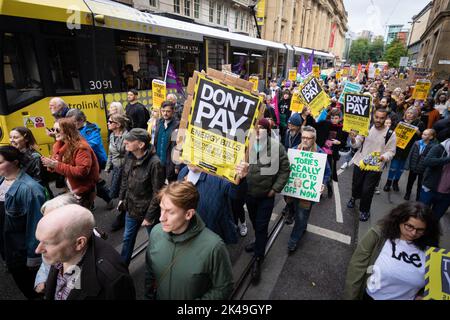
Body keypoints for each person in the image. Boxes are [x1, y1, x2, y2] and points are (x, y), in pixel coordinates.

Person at [144, 181, 234, 300]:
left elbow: (224, 287)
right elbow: (150, 273)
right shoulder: (156, 232)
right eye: (161, 209)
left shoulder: (214, 246)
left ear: (188, 214)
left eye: (170, 212)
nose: (161, 218)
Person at [35, 204, 136, 300]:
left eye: (48, 243)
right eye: (40, 241)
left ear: (79, 243)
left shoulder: (112, 278)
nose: (38, 250)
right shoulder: (64, 252)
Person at [344, 202, 440, 300]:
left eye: (420, 230)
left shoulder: (432, 252)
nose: (413, 233)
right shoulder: (379, 234)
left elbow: (436, 285)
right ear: (399, 220)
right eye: (409, 226)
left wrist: (423, 295)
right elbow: (357, 267)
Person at [245, 118, 290, 283]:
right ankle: (258, 242)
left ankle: (258, 258)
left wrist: (275, 189)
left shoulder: (277, 148)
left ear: (268, 131)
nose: (258, 131)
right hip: (249, 194)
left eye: (261, 128)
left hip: (266, 196)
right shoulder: (246, 143)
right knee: (255, 223)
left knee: (262, 226)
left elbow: (285, 170)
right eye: (255, 128)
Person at [0, 146, 46, 299]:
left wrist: (34, 260)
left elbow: (36, 228)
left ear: (14, 162)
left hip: (21, 253)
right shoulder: (2, 180)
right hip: (8, 248)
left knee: (33, 292)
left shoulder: (31, 189)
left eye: (0, 162)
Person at [118, 128, 165, 265]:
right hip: (131, 208)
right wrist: (121, 198)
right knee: (127, 239)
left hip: (147, 211)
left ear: (141, 145)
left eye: (130, 140)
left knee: (156, 242)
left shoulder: (155, 163)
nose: (125, 142)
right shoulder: (129, 156)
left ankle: (157, 269)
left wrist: (150, 217)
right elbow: (125, 179)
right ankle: (122, 269)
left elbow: (158, 193)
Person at [177, 162, 248, 244]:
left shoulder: (218, 176)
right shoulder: (183, 172)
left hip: (213, 235)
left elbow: (236, 194)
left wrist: (240, 179)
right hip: (190, 235)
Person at [346, 109, 397, 222]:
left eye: (381, 118)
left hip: (375, 166)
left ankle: (364, 210)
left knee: (367, 190)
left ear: (386, 119)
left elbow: (391, 151)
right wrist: (353, 139)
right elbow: (356, 145)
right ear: (373, 116)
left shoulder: (391, 134)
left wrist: (383, 157)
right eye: (377, 117)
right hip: (360, 161)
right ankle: (354, 197)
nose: (378, 120)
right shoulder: (366, 128)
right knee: (356, 184)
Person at [287, 126, 330, 253]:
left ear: (314, 139)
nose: (305, 140)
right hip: (294, 191)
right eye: (303, 137)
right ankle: (302, 226)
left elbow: (327, 172)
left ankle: (293, 241)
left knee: (301, 216)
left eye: (308, 138)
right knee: (298, 212)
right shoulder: (294, 151)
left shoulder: (320, 154)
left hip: (307, 194)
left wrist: (323, 183)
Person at [41, 119, 99, 209]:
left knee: (80, 219)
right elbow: (59, 164)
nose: (54, 132)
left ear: (68, 130)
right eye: (53, 129)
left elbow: (81, 171)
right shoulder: (61, 145)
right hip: (72, 187)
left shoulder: (81, 147)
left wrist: (55, 165)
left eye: (57, 130)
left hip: (83, 190)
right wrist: (51, 165)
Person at [66, 109, 113, 209]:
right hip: (82, 161)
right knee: (87, 183)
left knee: (92, 183)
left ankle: (108, 198)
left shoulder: (92, 128)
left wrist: (75, 146)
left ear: (82, 120)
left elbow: (93, 143)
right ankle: (91, 203)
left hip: (96, 160)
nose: (72, 125)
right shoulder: (74, 130)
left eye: (74, 122)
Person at [383, 107, 425, 192]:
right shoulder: (399, 121)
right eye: (408, 112)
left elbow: (422, 137)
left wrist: (418, 132)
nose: (409, 115)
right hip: (397, 147)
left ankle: (396, 182)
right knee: (393, 166)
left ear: (415, 115)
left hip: (409, 149)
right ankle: (388, 182)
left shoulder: (419, 124)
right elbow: (391, 131)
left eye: (412, 113)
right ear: (405, 113)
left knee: (401, 168)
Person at [9, 127, 52, 197]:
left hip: (35, 195)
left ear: (26, 139)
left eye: (16, 138)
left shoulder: (35, 157)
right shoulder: (13, 155)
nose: (12, 140)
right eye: (10, 137)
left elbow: (40, 182)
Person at [315, 108, 348, 198]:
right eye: (332, 118)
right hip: (322, 152)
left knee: (328, 173)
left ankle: (329, 188)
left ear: (340, 118)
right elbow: (315, 126)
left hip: (332, 155)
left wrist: (339, 142)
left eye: (336, 118)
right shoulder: (325, 124)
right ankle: (320, 191)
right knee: (319, 172)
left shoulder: (343, 128)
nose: (334, 120)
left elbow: (344, 142)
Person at [105, 114, 129, 231]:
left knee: (124, 192)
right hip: (116, 169)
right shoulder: (112, 135)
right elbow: (110, 153)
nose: (107, 123)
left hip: (125, 169)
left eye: (110, 122)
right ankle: (124, 212)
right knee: (119, 192)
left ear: (118, 125)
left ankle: (124, 216)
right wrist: (108, 166)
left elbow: (130, 155)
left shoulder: (127, 136)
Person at [420, 130, 450, 220]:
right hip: (430, 190)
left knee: (435, 220)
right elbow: (427, 161)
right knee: (422, 216)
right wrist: (447, 159)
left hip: (446, 194)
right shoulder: (439, 147)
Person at [403, 129, 437, 201]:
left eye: (425, 134)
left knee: (420, 184)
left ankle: (418, 197)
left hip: (423, 168)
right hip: (414, 166)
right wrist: (407, 164)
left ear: (431, 137)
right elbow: (410, 154)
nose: (422, 135)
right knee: (410, 181)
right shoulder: (417, 143)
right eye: (422, 134)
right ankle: (407, 193)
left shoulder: (433, 146)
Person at [154, 101, 180, 182]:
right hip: (158, 161)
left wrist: (177, 165)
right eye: (163, 111)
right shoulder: (159, 122)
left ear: (173, 111)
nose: (165, 113)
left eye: (168, 111)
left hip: (170, 162)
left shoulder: (177, 125)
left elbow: (178, 146)